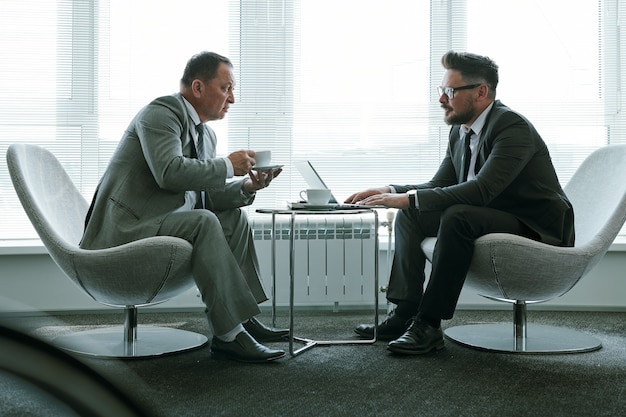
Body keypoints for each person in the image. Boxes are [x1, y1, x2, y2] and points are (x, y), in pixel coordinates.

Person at [347, 51, 574, 355]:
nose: (441, 99)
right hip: (494, 215)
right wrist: (389, 191)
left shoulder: (512, 127)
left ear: (481, 92)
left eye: (450, 91)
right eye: (441, 91)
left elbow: (481, 191)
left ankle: (428, 324)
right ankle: (404, 314)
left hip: (536, 225)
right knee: (412, 215)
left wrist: (407, 198)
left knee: (457, 215)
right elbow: (439, 185)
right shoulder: (460, 130)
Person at [80, 51, 288, 363]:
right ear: (198, 87)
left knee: (233, 218)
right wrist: (227, 166)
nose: (232, 99)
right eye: (226, 88)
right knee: (204, 222)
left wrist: (248, 186)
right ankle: (229, 334)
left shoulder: (206, 134)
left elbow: (204, 198)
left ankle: (241, 319)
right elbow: (169, 172)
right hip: (126, 230)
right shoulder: (162, 113)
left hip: (162, 222)